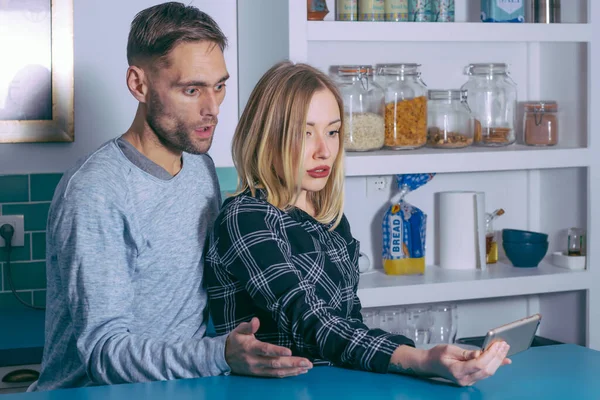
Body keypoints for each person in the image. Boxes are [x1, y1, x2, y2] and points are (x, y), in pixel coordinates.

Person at [30, 2, 311, 392]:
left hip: (179, 387)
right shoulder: (96, 191)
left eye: (219, 86)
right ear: (138, 84)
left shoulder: (201, 168)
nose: (212, 109)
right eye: (191, 89)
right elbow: (103, 353)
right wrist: (220, 354)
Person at [205, 61, 511, 387]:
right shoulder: (245, 216)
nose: (324, 151)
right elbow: (310, 319)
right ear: (267, 136)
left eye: (333, 131)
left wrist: (428, 355)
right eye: (305, 133)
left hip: (331, 387)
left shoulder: (331, 220)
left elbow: (346, 326)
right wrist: (419, 359)